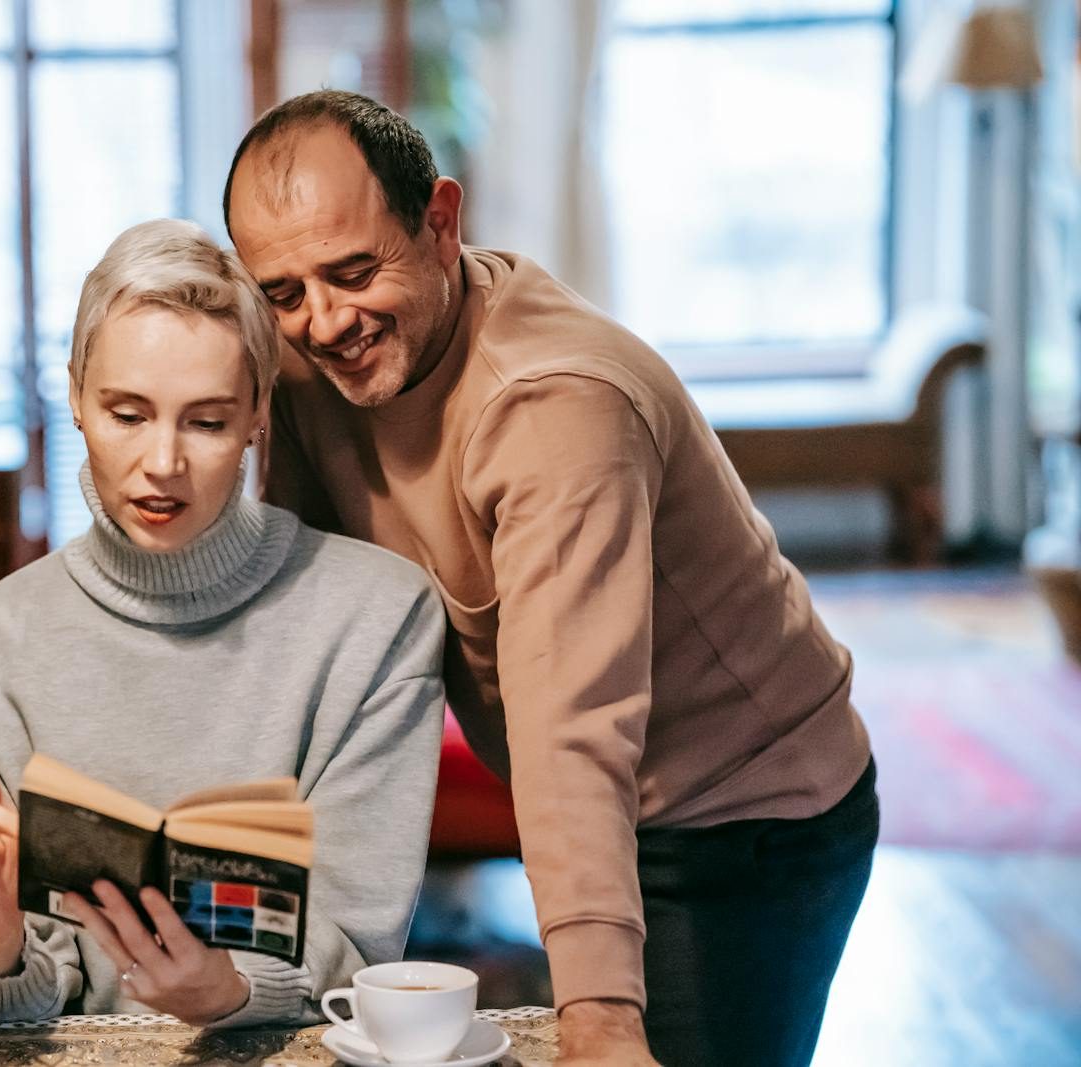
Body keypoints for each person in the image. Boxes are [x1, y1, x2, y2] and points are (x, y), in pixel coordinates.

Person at [224, 89, 879, 1067]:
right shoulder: (310, 362)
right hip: (596, 796)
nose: (321, 321)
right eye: (282, 291)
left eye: (353, 271)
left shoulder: (556, 409)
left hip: (744, 811)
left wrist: (603, 1017)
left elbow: (571, 725)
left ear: (440, 224)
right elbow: (295, 600)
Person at [0, 218, 447, 1028]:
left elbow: (356, 943)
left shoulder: (378, 618)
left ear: (259, 411)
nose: (163, 463)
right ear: (76, 395)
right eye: (127, 413)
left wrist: (235, 990)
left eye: (208, 421)